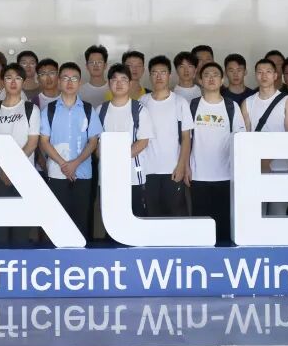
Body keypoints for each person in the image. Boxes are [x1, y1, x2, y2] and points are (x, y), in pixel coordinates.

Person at [40, 62, 103, 239]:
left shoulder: (88, 110)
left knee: (80, 220)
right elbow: (44, 141)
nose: (69, 82)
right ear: (59, 81)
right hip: (57, 173)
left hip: (83, 173)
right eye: (65, 78)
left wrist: (75, 163)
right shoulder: (49, 110)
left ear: (80, 83)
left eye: (74, 78)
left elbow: (93, 141)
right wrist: (64, 164)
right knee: (57, 221)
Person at [189, 62, 249, 243]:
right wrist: (185, 167)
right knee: (201, 224)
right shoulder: (192, 105)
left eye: (215, 75)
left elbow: (240, 139)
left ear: (222, 80)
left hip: (225, 175)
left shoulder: (231, 106)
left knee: (224, 223)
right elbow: (185, 139)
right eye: (206, 75)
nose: (211, 78)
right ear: (200, 80)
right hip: (198, 175)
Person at [0, 63, 40, 246]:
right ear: (3, 81)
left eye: (17, 78)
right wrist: (3, 170)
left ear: (23, 82)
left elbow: (32, 143)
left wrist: (13, 169)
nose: (13, 82)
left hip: (23, 175)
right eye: (8, 78)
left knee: (21, 230)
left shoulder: (31, 109)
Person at [138, 56, 193, 217]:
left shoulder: (180, 102)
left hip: (172, 170)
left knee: (175, 215)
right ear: (149, 75)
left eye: (163, 72)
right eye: (154, 72)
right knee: (151, 215)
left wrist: (181, 166)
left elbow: (186, 138)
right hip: (148, 170)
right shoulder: (142, 102)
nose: (159, 76)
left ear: (169, 75)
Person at [99, 63, 155, 217]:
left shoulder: (140, 110)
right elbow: (96, 144)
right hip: (108, 177)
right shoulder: (101, 110)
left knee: (136, 217)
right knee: (111, 218)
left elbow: (143, 142)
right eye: (114, 79)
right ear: (109, 83)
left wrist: (118, 160)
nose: (119, 83)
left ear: (130, 84)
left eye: (123, 79)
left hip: (133, 177)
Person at [244, 58, 288, 217]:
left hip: (282, 166)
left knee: (278, 216)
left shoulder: (287, 101)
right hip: (255, 168)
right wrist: (260, 161)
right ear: (255, 75)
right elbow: (245, 139)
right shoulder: (248, 103)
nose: (264, 75)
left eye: (268, 72)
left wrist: (268, 159)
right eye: (260, 72)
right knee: (255, 214)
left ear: (275, 75)